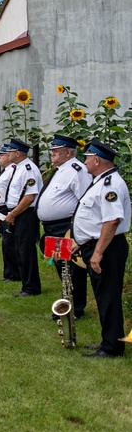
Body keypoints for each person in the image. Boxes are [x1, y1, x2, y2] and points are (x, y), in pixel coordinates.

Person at [71, 140, 130, 358]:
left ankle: (112, 348)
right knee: (103, 294)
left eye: (87, 157)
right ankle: (108, 341)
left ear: (97, 160)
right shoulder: (102, 180)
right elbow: (95, 219)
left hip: (107, 248)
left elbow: (112, 220)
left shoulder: (109, 185)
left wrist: (97, 252)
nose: (84, 161)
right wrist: (83, 242)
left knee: (108, 296)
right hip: (98, 245)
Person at [36, 134, 91, 319]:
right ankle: (68, 302)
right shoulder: (61, 169)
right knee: (62, 267)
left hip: (66, 226)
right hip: (52, 227)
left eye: (56, 151)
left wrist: (76, 229)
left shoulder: (77, 170)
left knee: (73, 269)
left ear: (68, 152)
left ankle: (75, 308)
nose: (53, 153)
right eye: (52, 150)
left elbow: (84, 201)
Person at [4, 138, 43, 298]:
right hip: (18, 212)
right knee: (19, 249)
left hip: (25, 214)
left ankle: (31, 286)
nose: (7, 153)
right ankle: (25, 282)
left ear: (18, 153)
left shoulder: (28, 169)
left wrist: (13, 214)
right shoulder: (18, 168)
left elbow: (29, 197)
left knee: (26, 250)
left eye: (10, 151)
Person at [0, 145, 20, 283]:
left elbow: (10, 193)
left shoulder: (12, 171)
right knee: (5, 242)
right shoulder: (4, 172)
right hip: (1, 209)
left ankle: (14, 273)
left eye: (2, 155)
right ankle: (8, 272)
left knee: (9, 242)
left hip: (7, 208)